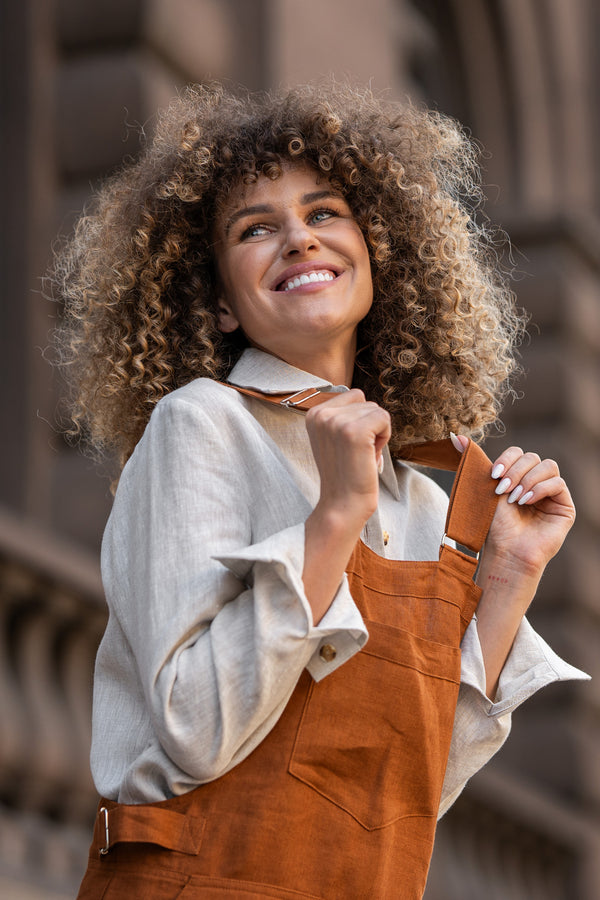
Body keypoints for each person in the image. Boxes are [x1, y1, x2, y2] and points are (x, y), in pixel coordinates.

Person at [52, 83, 587, 899]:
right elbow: (194, 729)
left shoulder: (426, 501)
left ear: (378, 252)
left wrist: (510, 575)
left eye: (324, 213)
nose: (298, 239)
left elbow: (409, 795)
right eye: (255, 228)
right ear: (222, 303)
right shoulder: (198, 427)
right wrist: (335, 515)